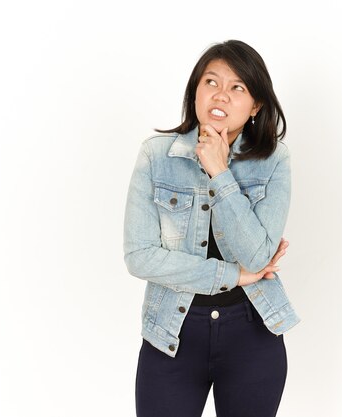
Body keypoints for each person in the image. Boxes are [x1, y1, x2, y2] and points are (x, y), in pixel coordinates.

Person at [123, 39, 300, 417]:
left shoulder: (273, 161)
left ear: (255, 106)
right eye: (211, 82)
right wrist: (233, 275)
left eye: (237, 87)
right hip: (171, 333)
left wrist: (220, 172)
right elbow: (139, 257)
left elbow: (259, 255)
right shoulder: (157, 156)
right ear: (195, 91)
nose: (221, 95)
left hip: (253, 334)